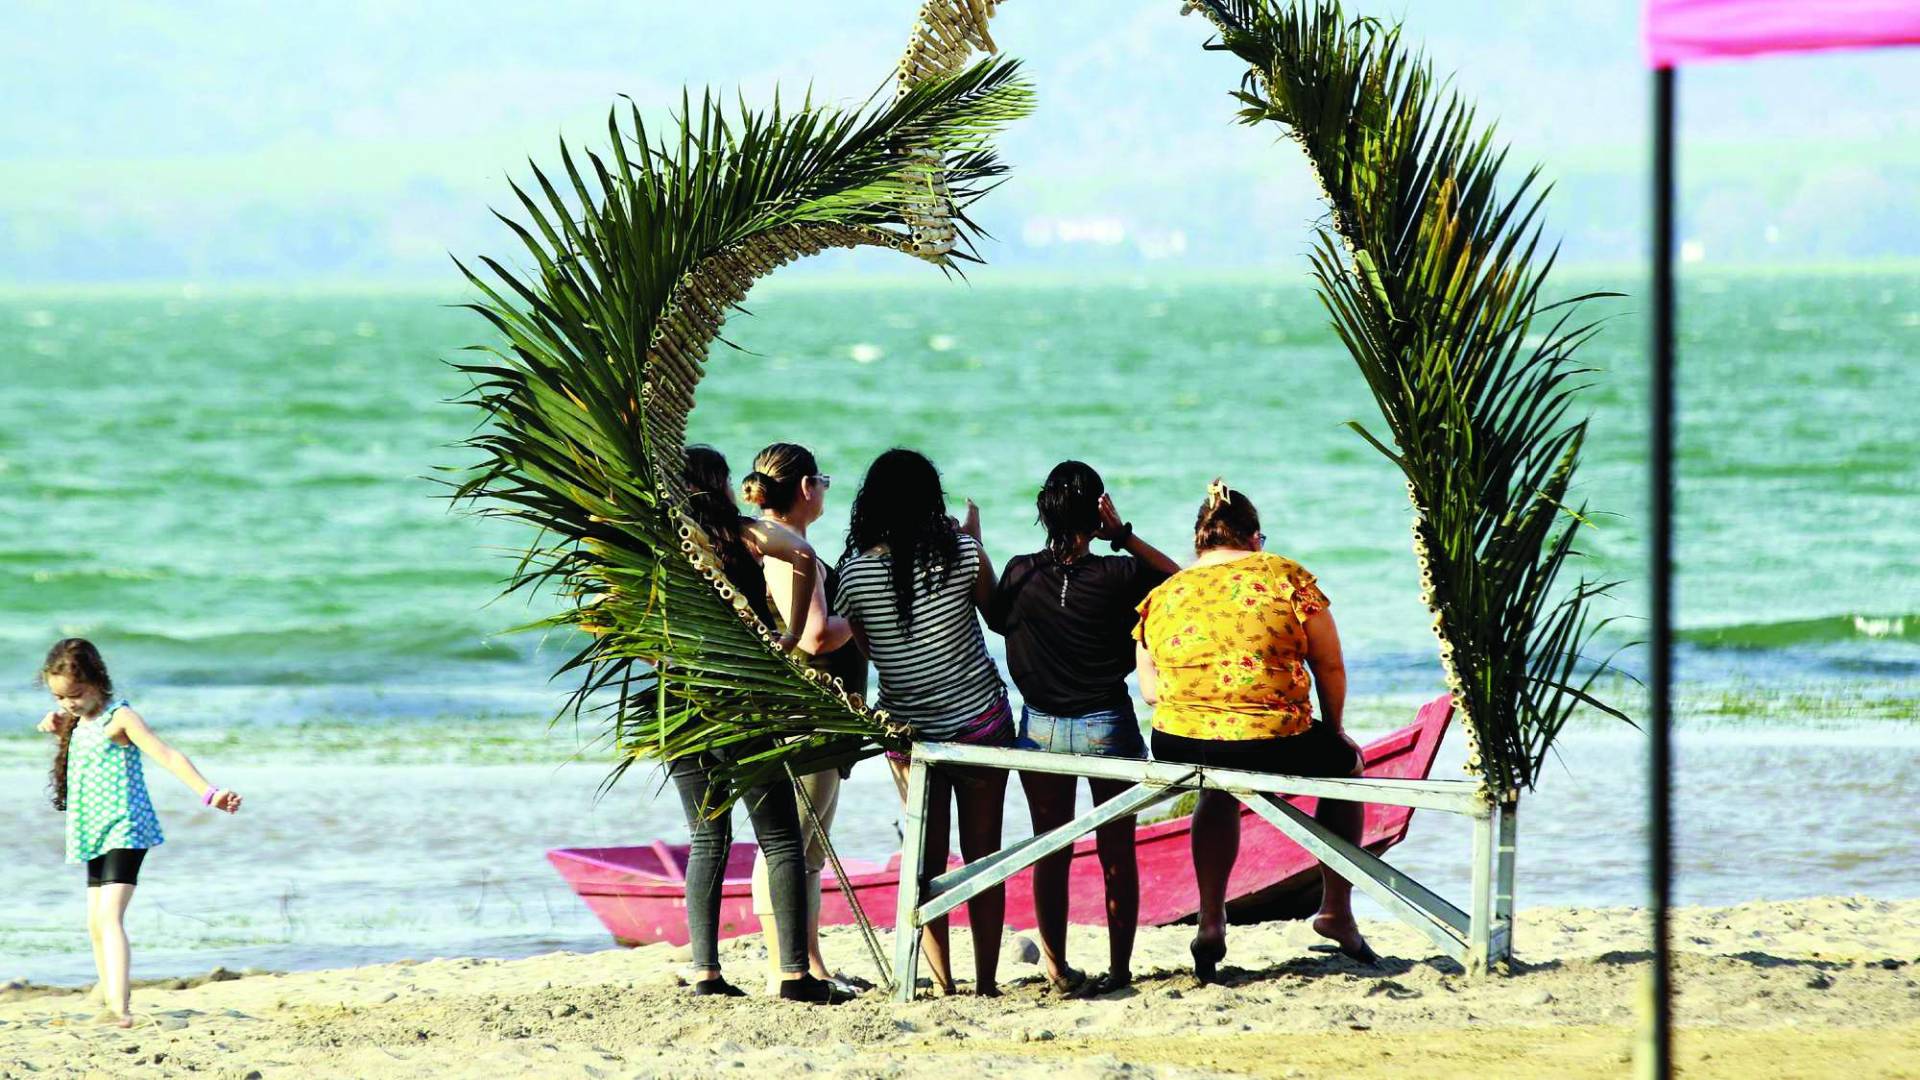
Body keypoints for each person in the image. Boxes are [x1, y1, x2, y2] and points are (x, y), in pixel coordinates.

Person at [1133, 479, 1378, 981]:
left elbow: (1152, 691)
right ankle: (1336, 911)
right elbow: (1329, 666)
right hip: (1272, 738)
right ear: (1253, 538)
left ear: (1200, 541)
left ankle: (1210, 917)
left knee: (1217, 791)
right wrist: (1334, 730)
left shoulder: (1163, 594)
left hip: (1178, 741)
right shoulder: (1287, 577)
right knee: (1346, 768)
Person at [986, 461, 1179, 996]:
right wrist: (1124, 537)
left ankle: (1056, 967)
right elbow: (1182, 585)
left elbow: (997, 618)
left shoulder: (1021, 571)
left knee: (1052, 849)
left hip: (1041, 725)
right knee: (1117, 850)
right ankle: (1119, 971)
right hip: (1106, 724)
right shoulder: (1120, 575)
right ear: (1098, 513)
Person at [666, 445, 849, 1004]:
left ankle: (705, 972)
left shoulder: (661, 548)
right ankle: (794, 974)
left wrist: (663, 659)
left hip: (679, 702)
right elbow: (799, 555)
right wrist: (789, 638)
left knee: (706, 839)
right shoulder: (738, 536)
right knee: (779, 839)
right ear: (720, 486)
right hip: (742, 701)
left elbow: (604, 614)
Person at [835, 448, 1011, 996]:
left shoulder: (854, 572)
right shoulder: (961, 551)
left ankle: (942, 982)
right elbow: (998, 615)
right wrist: (977, 541)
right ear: (930, 499)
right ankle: (986, 982)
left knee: (925, 860)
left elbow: (863, 648)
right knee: (985, 854)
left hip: (909, 734)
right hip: (981, 721)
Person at [36, 638, 243, 1027]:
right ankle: (110, 996)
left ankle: (120, 1008)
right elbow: (77, 733)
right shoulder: (80, 720)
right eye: (60, 698)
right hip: (91, 829)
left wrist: (209, 793)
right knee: (94, 921)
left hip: (124, 825)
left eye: (75, 695)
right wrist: (61, 723)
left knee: (110, 916)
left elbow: (166, 755)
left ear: (98, 680)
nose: (69, 704)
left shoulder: (121, 717)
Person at [739, 441, 864, 996]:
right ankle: (784, 968)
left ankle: (808, 962)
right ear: (807, 489)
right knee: (790, 850)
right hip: (807, 713)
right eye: (824, 482)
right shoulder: (790, 552)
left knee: (805, 852)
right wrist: (858, 619)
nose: (825, 492)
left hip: (795, 712)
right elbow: (813, 636)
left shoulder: (760, 543)